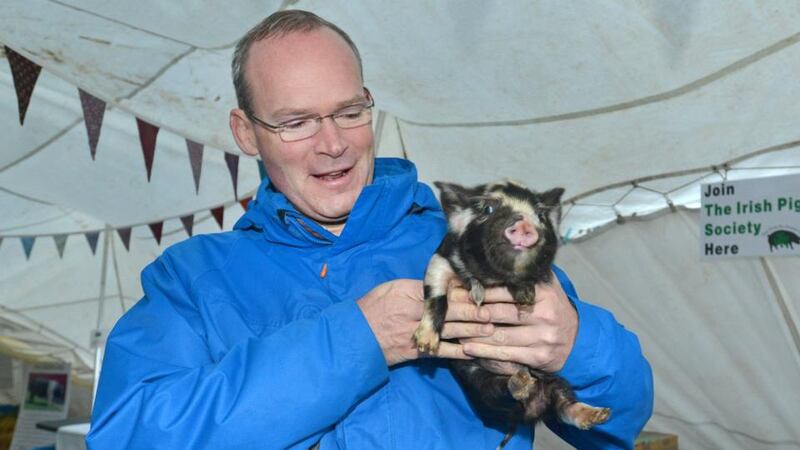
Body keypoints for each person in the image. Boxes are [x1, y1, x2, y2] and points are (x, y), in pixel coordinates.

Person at [87, 10, 653, 450]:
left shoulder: (468, 243)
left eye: (350, 112)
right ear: (246, 131)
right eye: (296, 122)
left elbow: (616, 424)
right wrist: (357, 340)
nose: (332, 143)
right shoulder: (192, 280)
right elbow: (128, 434)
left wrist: (579, 344)